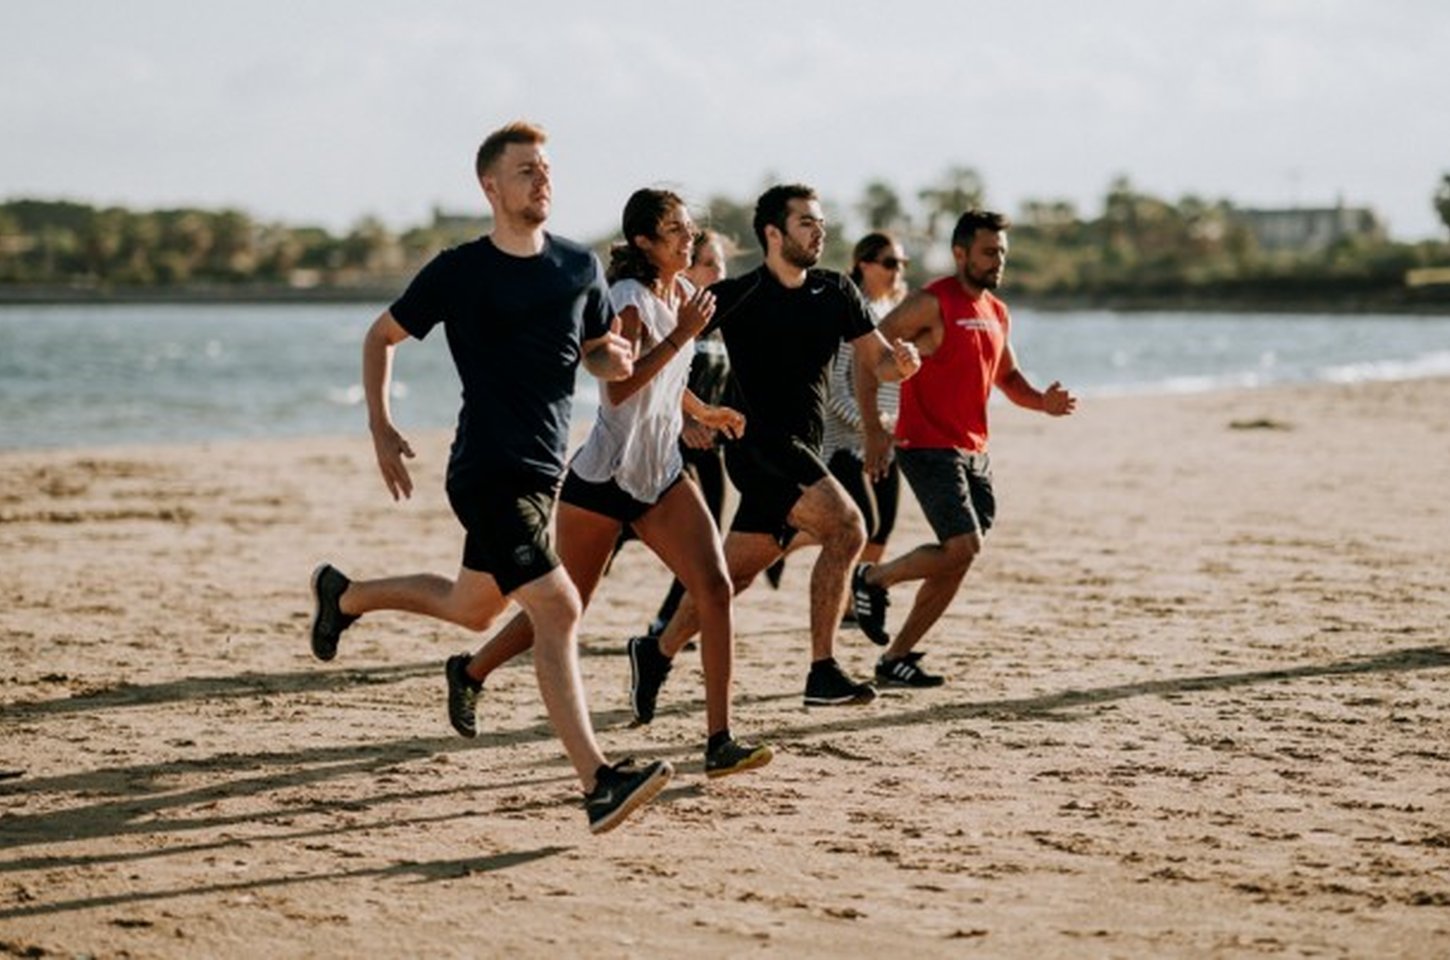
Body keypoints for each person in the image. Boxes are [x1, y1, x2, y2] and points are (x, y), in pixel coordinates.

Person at [307, 121, 672, 834]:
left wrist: (615, 361)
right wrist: (379, 426)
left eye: (546, 168)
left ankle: (344, 595)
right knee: (559, 608)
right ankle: (598, 780)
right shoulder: (459, 269)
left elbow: (598, 351)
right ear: (491, 186)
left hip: (543, 473)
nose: (543, 180)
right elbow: (380, 337)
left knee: (472, 609)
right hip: (484, 471)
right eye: (526, 170)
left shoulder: (578, 266)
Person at [441, 190, 773, 779]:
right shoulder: (627, 301)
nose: (687, 238)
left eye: (689, 228)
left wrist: (702, 412)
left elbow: (665, 382)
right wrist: (681, 336)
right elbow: (619, 388)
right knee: (566, 607)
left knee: (715, 587)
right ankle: (470, 671)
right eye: (674, 230)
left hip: (660, 474)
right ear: (645, 242)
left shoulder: (684, 297)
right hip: (601, 480)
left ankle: (719, 740)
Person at [628, 184, 921, 721]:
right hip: (757, 445)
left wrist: (900, 365)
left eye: (820, 221)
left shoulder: (835, 291)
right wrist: (691, 414)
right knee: (848, 527)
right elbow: (665, 353)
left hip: (802, 446)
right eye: (806, 222)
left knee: (730, 579)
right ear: (773, 233)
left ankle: (655, 651)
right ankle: (822, 671)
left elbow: (877, 362)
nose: (819, 231)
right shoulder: (738, 295)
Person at [852, 209, 1077, 688]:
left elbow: (1008, 379)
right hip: (926, 444)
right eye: (988, 252)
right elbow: (866, 354)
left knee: (959, 558)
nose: (998, 261)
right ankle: (873, 579)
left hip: (974, 450)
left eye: (1002, 253)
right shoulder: (930, 303)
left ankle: (896, 658)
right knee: (964, 545)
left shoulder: (996, 311)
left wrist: (1044, 403)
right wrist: (873, 429)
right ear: (960, 253)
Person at [804, 231, 911, 641]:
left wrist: (894, 424)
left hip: (885, 435)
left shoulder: (896, 310)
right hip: (845, 440)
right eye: (889, 262)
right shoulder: (853, 310)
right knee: (864, 521)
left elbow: (897, 382)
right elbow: (833, 388)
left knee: (883, 525)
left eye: (901, 264)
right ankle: (846, 598)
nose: (897, 270)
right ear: (863, 263)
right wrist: (870, 426)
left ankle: (856, 597)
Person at [640, 228, 735, 640]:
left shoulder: (718, 323)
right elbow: (655, 378)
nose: (719, 272)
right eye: (709, 264)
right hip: (667, 446)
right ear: (688, 269)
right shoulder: (675, 319)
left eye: (722, 264)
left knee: (706, 540)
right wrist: (688, 423)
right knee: (617, 533)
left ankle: (667, 619)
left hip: (708, 451)